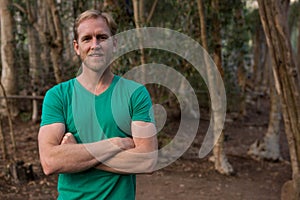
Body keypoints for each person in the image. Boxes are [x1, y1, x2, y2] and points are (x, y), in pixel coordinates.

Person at [38, 9, 157, 200]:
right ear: (77, 47)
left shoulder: (135, 94)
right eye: (87, 39)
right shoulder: (58, 96)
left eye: (102, 37)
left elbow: (147, 161)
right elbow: (50, 161)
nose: (95, 45)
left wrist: (75, 153)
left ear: (114, 43)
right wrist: (116, 143)